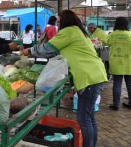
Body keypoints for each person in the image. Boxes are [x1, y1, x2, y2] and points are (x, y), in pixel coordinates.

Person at [21, 10, 107, 147]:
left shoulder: (69, 32)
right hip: (95, 75)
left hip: (89, 77)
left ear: (65, 21)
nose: (58, 24)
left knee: (84, 119)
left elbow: (48, 48)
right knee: (89, 117)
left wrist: (29, 51)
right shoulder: (78, 31)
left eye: (59, 21)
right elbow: (56, 50)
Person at [107, 17, 131, 110]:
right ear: (126, 24)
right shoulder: (130, 35)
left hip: (116, 63)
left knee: (117, 84)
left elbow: (106, 43)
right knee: (129, 84)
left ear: (116, 24)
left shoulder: (111, 35)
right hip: (129, 62)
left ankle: (116, 104)